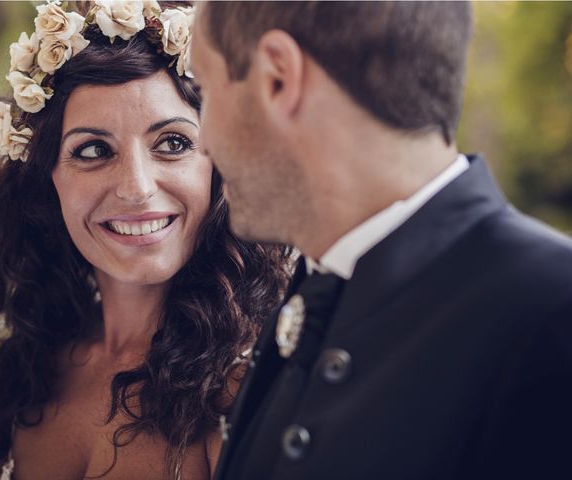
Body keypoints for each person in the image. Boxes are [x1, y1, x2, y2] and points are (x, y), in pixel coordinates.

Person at [189, 2, 572, 479]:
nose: (202, 142)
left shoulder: (552, 313)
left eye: (203, 89)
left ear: (278, 78)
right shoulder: (315, 290)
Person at [0, 2, 291, 479]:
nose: (137, 188)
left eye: (173, 143)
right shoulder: (8, 381)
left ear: (218, 163)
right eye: (93, 150)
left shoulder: (247, 388)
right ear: (46, 182)